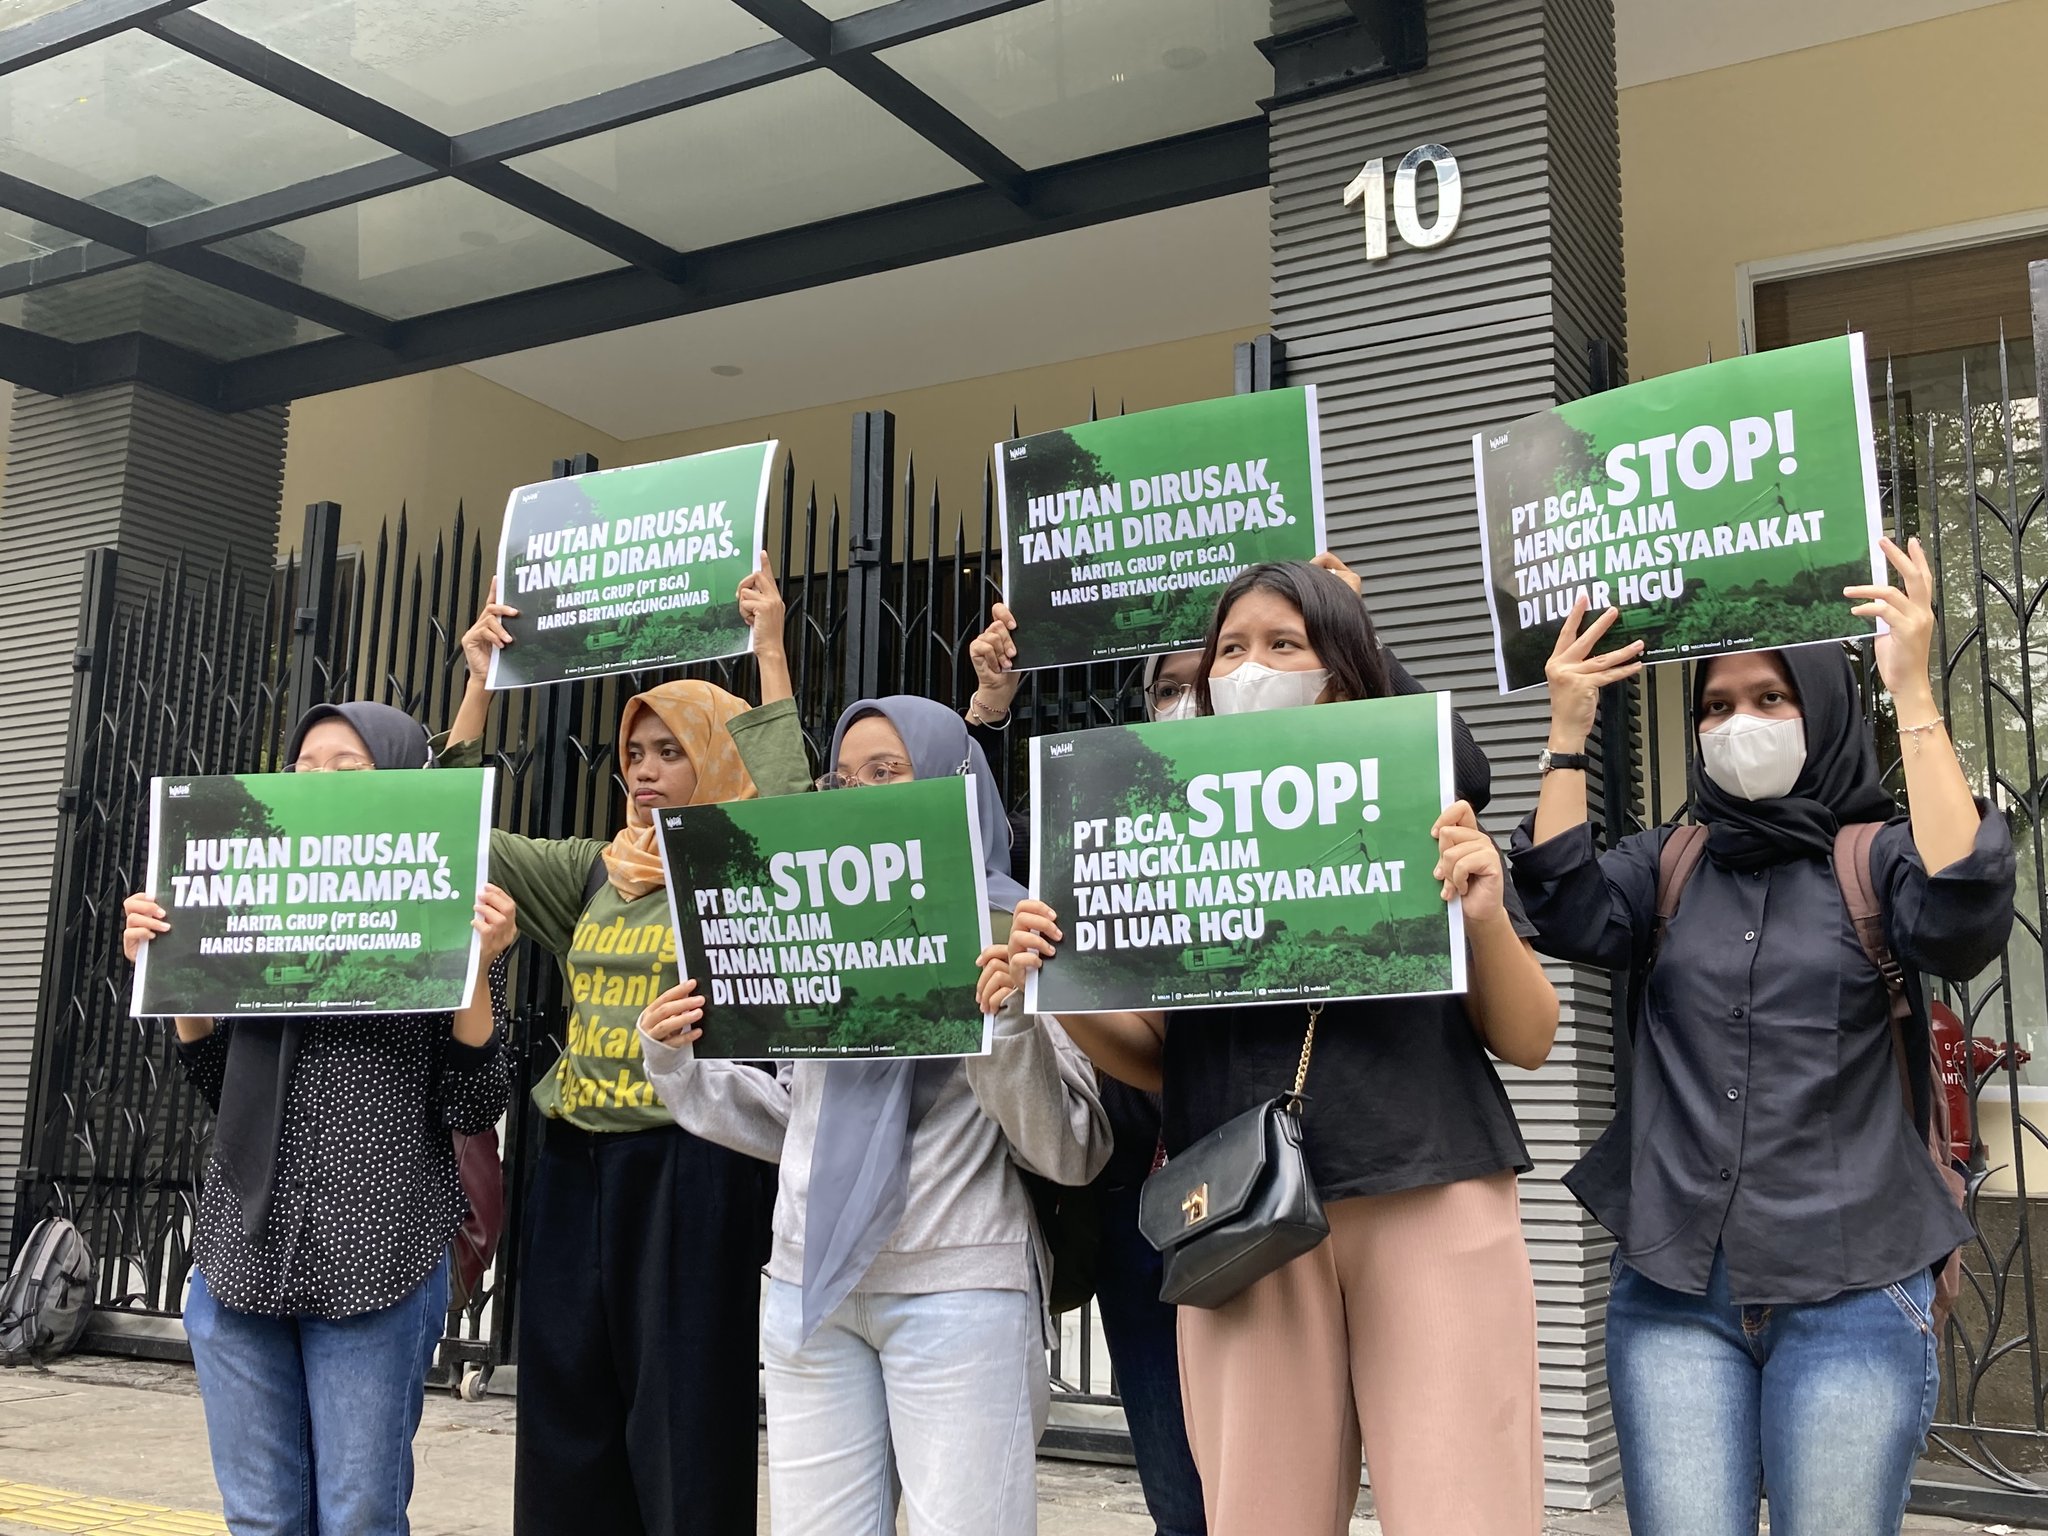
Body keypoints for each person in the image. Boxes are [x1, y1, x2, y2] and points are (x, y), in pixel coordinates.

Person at [1004, 559, 1561, 1536]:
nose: (1249, 666)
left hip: (1428, 1192)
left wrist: (1482, 915)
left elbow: (1527, 1037)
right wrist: (1057, 988)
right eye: (1229, 649)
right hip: (1241, 1220)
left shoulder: (1419, 810)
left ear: (1342, 671)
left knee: (1463, 1508)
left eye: (1282, 644)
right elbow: (1155, 1059)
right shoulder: (1162, 831)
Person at [1509, 536, 2017, 1536]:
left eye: (1769, 699)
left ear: (1820, 710)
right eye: (1714, 705)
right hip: (1672, 1296)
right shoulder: (1669, 862)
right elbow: (1564, 906)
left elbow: (1961, 918)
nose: (1737, 722)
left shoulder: (1875, 860)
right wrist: (1567, 728)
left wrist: (1910, 692)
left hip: (1853, 1290)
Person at [636, 694, 1112, 1536]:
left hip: (958, 1289)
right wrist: (677, 1065)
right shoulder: (805, 921)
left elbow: (1073, 1147)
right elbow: (795, 1122)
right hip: (806, 1289)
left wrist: (999, 1025)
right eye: (841, 778)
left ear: (949, 783)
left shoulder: (1018, 927)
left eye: (885, 774)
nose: (857, 793)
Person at [441, 560, 796, 1536]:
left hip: (691, 1170)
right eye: (631, 752)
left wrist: (766, 648)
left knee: (682, 1422)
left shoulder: (751, 869)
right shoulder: (593, 874)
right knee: (563, 1417)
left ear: (715, 760)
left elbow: (798, 808)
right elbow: (452, 832)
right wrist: (478, 679)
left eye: (667, 750)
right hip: (570, 1169)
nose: (640, 769)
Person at [120, 701, 518, 1536]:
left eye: (351, 767)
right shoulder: (254, 901)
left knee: (360, 1514)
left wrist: (475, 966)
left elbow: (473, 1103)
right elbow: (214, 1079)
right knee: (261, 1517)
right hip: (241, 1256)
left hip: (379, 1254)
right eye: (305, 766)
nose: (320, 782)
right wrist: (178, 974)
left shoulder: (432, 906)